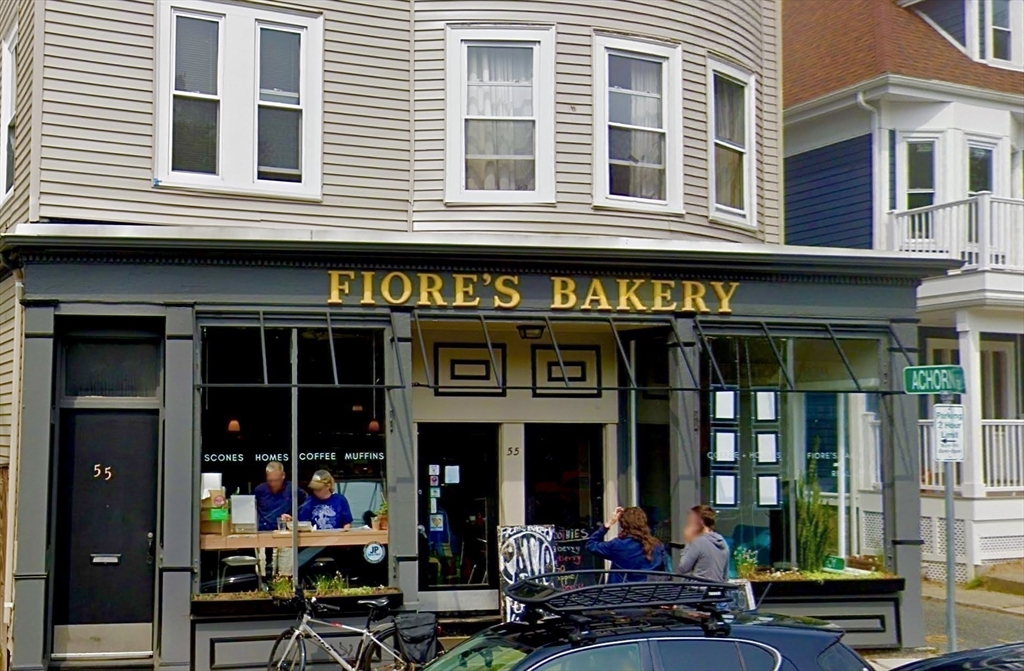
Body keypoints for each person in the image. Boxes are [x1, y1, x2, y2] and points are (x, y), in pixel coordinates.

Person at [585, 506, 667, 583]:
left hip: (619, 594)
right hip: (649, 593)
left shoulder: (617, 545)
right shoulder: (657, 545)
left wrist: (609, 523)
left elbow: (591, 544)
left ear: (622, 524)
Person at [677, 504, 729, 582]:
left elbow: (683, 568)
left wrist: (688, 541)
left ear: (699, 523)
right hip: (718, 590)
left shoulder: (698, 542)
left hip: (697, 591)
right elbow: (725, 575)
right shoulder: (722, 541)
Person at [253, 461, 306, 532]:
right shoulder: (259, 490)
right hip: (263, 531)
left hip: (284, 531)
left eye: (276, 480)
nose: (273, 484)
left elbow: (305, 505)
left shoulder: (292, 489)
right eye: (270, 480)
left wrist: (293, 518)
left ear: (283, 475)